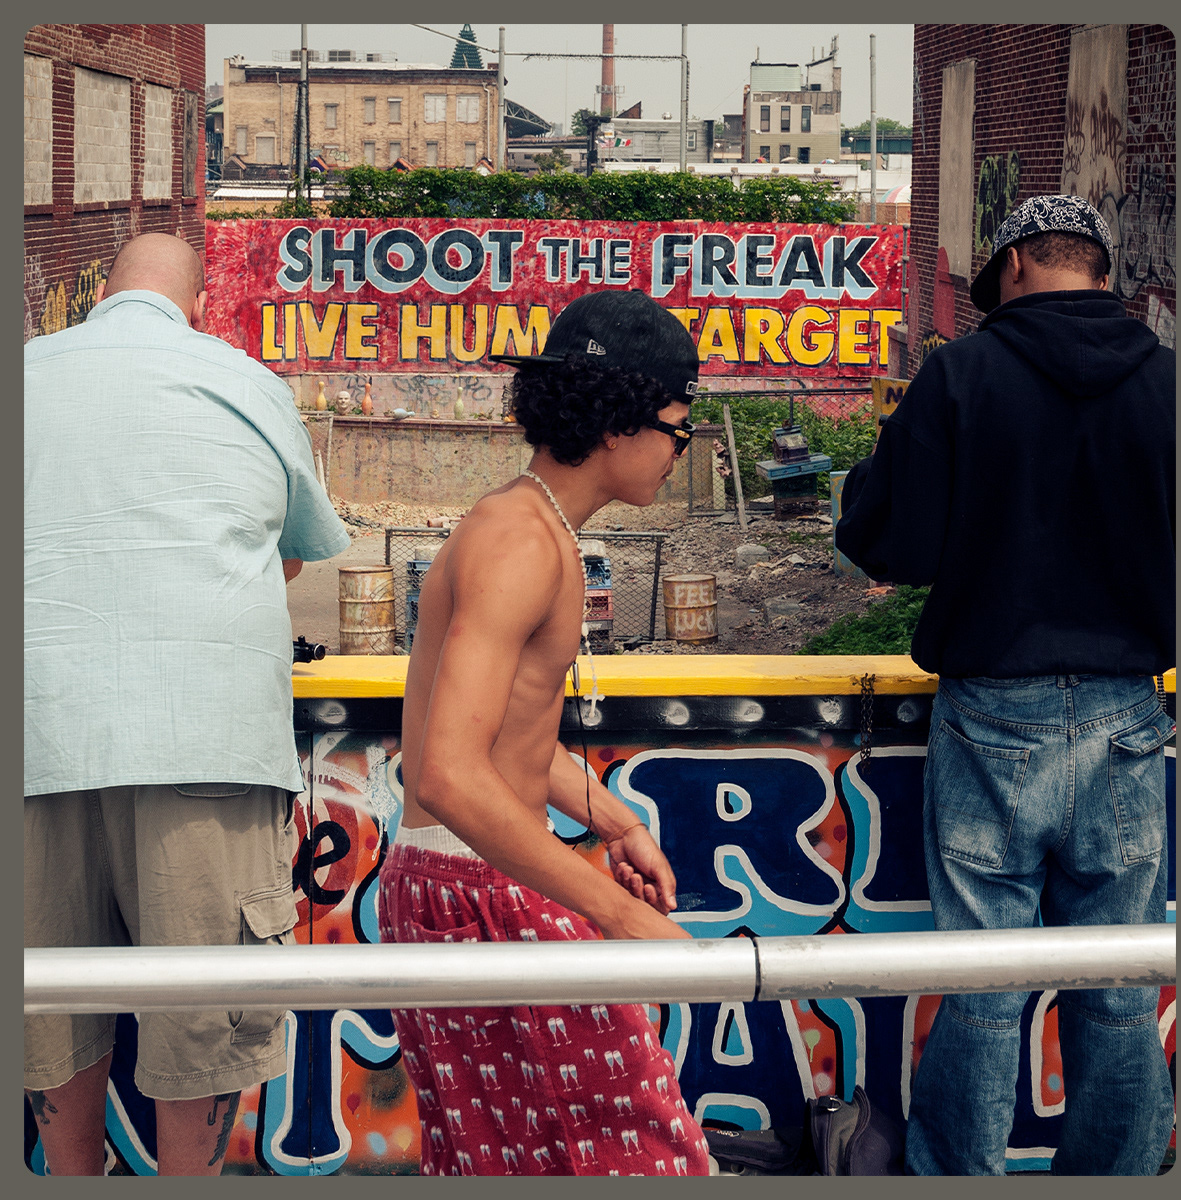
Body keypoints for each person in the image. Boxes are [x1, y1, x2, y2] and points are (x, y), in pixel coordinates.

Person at [835, 194, 1175, 1175]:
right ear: (1100, 272)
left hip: (993, 711)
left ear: (1016, 265)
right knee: (1119, 984)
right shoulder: (1171, 383)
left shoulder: (961, 375)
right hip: (1128, 710)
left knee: (985, 981)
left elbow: (886, 541)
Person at [24, 233, 350, 1175]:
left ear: (99, 292)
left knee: (45, 1012)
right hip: (206, 742)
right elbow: (293, 553)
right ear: (201, 305)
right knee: (203, 1018)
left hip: (35, 733)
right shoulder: (244, 382)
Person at [378, 289, 712, 1177]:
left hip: (458, 878)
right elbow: (446, 772)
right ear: (619, 424)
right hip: (475, 883)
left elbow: (500, 737)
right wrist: (618, 916)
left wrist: (617, 822)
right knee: (642, 1157)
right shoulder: (522, 544)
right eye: (677, 431)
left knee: (507, 1164)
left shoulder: (525, 525)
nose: (679, 453)